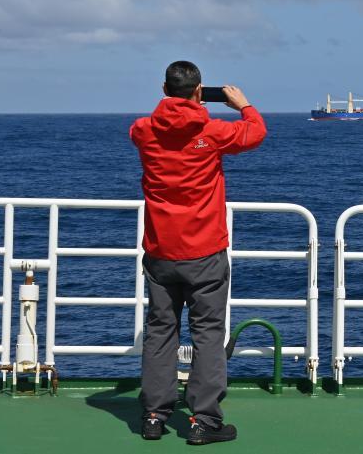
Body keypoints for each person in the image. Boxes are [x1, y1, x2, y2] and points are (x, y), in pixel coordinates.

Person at [129, 60, 266, 445]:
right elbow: (256, 132)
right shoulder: (213, 132)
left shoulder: (143, 130)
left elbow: (145, 129)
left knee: (161, 330)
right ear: (199, 91)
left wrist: (185, 106)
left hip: (161, 251)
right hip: (205, 251)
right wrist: (242, 105)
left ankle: (154, 415)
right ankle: (203, 421)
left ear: (163, 89)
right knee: (207, 333)